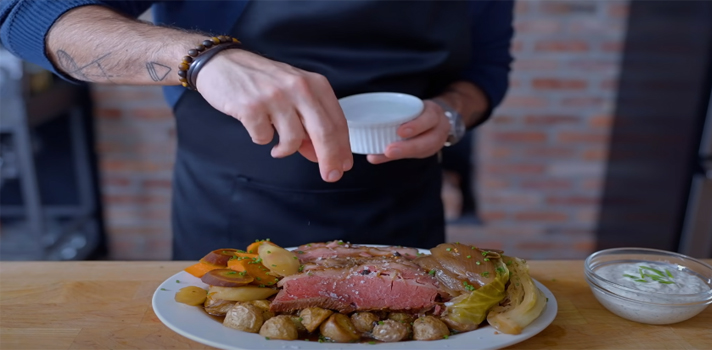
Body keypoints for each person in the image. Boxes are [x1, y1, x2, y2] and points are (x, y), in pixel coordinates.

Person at [0, 0, 514, 259]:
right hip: (233, 212)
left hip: (406, 207)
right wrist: (199, 60)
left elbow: (487, 70)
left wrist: (450, 114)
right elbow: (25, 14)